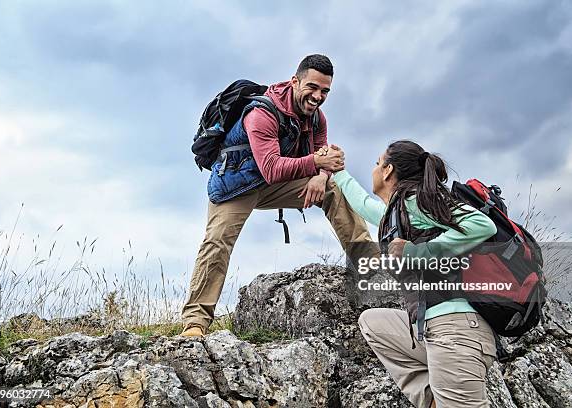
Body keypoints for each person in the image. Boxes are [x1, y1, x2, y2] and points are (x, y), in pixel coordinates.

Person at [180, 55, 372, 337]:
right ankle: (195, 322)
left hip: (277, 182)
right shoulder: (262, 114)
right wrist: (319, 164)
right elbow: (271, 168)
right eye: (312, 87)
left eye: (325, 91)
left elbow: (321, 156)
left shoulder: (317, 118)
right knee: (217, 242)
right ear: (295, 81)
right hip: (236, 184)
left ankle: (371, 265)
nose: (318, 96)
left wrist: (321, 176)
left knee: (333, 189)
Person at [318, 141, 498, 407]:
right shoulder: (398, 212)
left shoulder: (418, 200)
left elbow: (482, 225)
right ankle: (431, 399)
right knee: (372, 323)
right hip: (431, 330)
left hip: (456, 330)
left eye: (377, 163)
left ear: (388, 171)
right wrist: (337, 172)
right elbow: (364, 204)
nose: (374, 169)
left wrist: (417, 252)